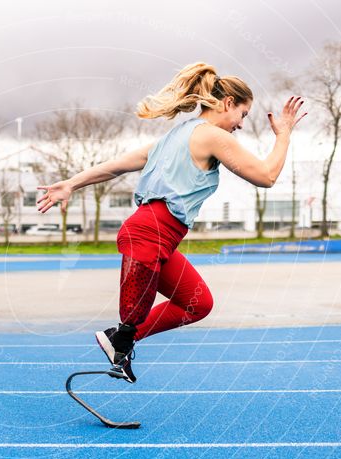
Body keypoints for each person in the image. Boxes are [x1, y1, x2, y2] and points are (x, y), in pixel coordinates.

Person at [36, 62, 306, 383]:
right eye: (243, 115)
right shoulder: (213, 135)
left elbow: (116, 166)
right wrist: (284, 135)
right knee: (132, 319)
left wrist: (71, 183)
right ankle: (120, 340)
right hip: (151, 233)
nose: (241, 125)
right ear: (227, 103)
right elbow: (266, 176)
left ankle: (120, 340)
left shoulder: (174, 137)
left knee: (198, 303)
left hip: (156, 234)